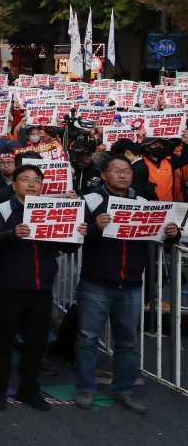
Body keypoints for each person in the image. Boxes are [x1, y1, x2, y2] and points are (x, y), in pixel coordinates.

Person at [77, 155, 181, 413]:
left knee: (128, 342)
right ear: (103, 175)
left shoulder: (144, 202)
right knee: (88, 338)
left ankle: (125, 389)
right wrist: (93, 227)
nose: (123, 175)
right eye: (116, 171)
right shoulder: (90, 200)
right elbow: (73, 233)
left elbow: (161, 235)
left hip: (132, 284)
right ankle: (85, 387)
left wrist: (173, 234)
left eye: (127, 171)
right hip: (96, 282)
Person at [0, 162, 86, 411]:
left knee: (36, 344)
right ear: (14, 183)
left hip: (42, 288)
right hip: (11, 287)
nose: (31, 185)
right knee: (4, 342)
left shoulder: (51, 210)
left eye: (37, 181)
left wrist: (78, 232)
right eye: (25, 179)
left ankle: (28, 390)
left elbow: (67, 247)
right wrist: (14, 234)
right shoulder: (2, 209)